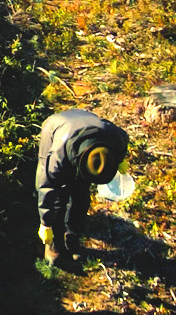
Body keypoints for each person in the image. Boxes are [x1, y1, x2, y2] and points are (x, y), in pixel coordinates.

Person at [36, 108, 129, 270]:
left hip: (86, 123)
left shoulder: (116, 138)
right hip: (56, 128)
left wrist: (119, 160)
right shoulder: (58, 156)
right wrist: (45, 223)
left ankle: (72, 237)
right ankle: (55, 244)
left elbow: (124, 141)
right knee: (59, 197)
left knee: (81, 195)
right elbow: (47, 186)